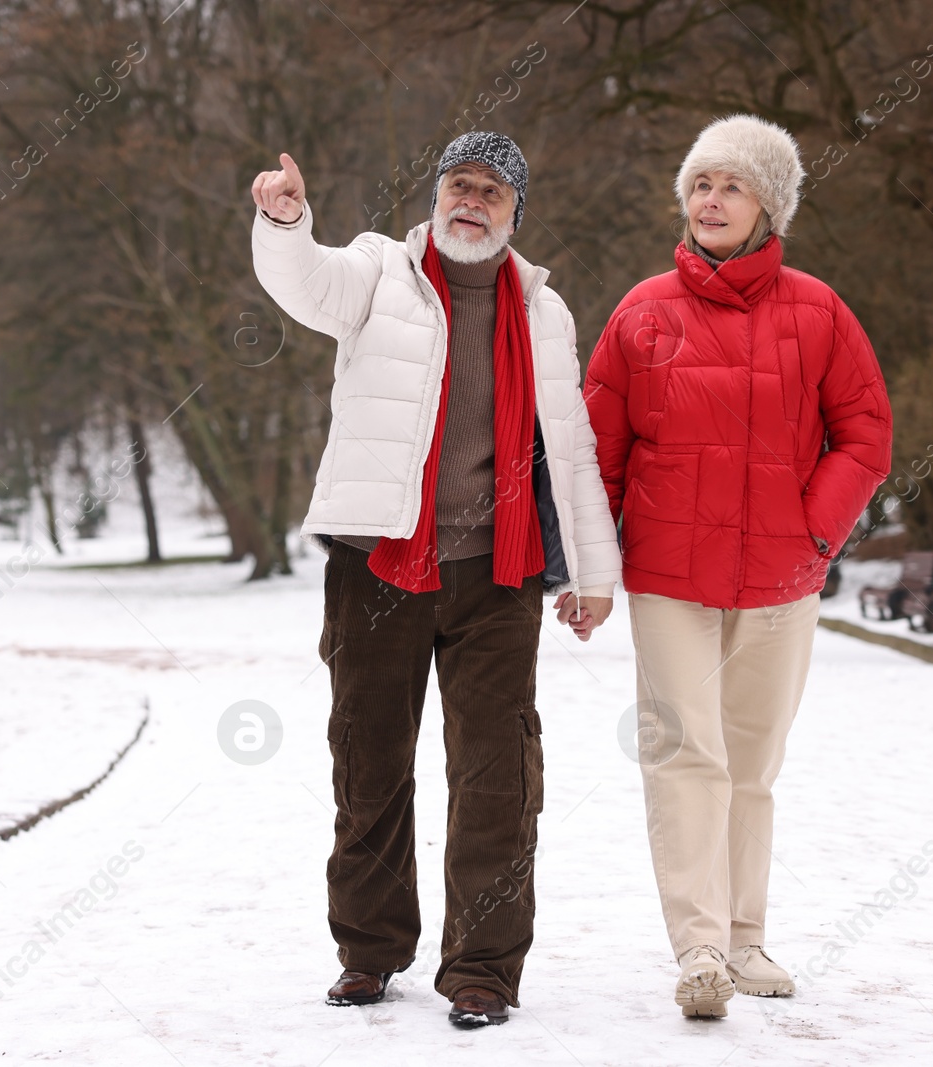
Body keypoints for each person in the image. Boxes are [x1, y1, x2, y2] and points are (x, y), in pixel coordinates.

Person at [250, 132, 621, 1028]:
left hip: (500, 571)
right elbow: (306, 285)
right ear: (435, 196)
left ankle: (483, 968)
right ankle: (370, 953)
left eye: (492, 191)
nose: (472, 201)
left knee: (499, 773)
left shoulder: (545, 311)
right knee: (369, 760)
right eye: (459, 184)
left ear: (514, 213)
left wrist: (592, 572)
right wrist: (285, 220)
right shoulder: (380, 271)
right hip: (378, 562)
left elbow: (568, 451)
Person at [582, 114, 892, 1018]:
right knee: (688, 754)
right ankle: (701, 949)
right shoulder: (641, 312)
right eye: (700, 185)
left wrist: (813, 532)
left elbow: (866, 435)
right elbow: (597, 450)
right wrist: (592, 569)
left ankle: (749, 939)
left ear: (769, 206)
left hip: (782, 580)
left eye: (732, 186)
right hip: (670, 577)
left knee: (753, 764)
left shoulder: (819, 310)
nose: (710, 201)